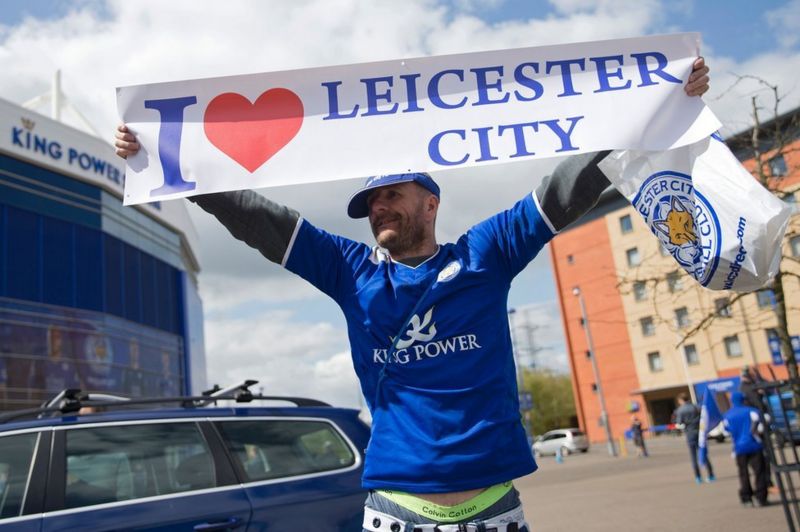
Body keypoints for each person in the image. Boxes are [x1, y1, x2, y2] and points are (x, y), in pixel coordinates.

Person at [115, 59, 710, 532]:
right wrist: (173, 165)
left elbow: (565, 190)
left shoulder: (486, 253)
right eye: (370, 202)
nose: (377, 207)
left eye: (391, 194)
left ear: (430, 202)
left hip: (494, 511)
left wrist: (655, 104)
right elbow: (261, 220)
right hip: (398, 513)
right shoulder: (351, 273)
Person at [723, 391, 769, 507]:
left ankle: (746, 498)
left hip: (739, 448)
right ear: (743, 400)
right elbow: (762, 426)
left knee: (743, 474)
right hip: (754, 445)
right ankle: (761, 498)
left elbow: (726, 431)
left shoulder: (728, 415)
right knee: (759, 472)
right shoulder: (752, 411)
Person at [674, 391, 716, 484]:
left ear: (681, 400)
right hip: (700, 433)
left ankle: (698, 477)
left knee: (693, 456)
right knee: (703, 452)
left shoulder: (680, 410)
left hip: (690, 434)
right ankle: (711, 475)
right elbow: (704, 417)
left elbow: (679, 423)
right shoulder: (696, 407)